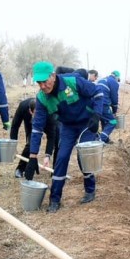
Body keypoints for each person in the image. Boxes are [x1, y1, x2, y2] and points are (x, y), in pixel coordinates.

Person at [27, 61, 103, 213]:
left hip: (86, 124)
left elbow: (98, 92)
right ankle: (55, 199)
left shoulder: (72, 81)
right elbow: (37, 128)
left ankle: (90, 190)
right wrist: (33, 156)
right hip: (67, 127)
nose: (42, 86)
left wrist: (97, 115)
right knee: (61, 158)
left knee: (84, 157)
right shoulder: (42, 99)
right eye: (39, 82)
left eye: (45, 81)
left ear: (53, 76)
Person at [9, 97, 57, 179]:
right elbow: (15, 126)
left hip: (47, 121)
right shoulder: (23, 106)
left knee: (58, 142)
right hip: (30, 123)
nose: (37, 115)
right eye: (35, 113)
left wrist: (47, 155)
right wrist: (13, 146)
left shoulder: (49, 112)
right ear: (30, 111)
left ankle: (56, 171)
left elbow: (51, 136)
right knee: (30, 144)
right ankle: (20, 169)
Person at [97, 71, 120, 144]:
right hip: (103, 104)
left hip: (95, 103)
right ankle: (101, 140)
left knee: (104, 120)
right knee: (112, 122)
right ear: (117, 77)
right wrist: (114, 110)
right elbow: (114, 98)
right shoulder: (114, 82)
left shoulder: (102, 79)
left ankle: (106, 140)